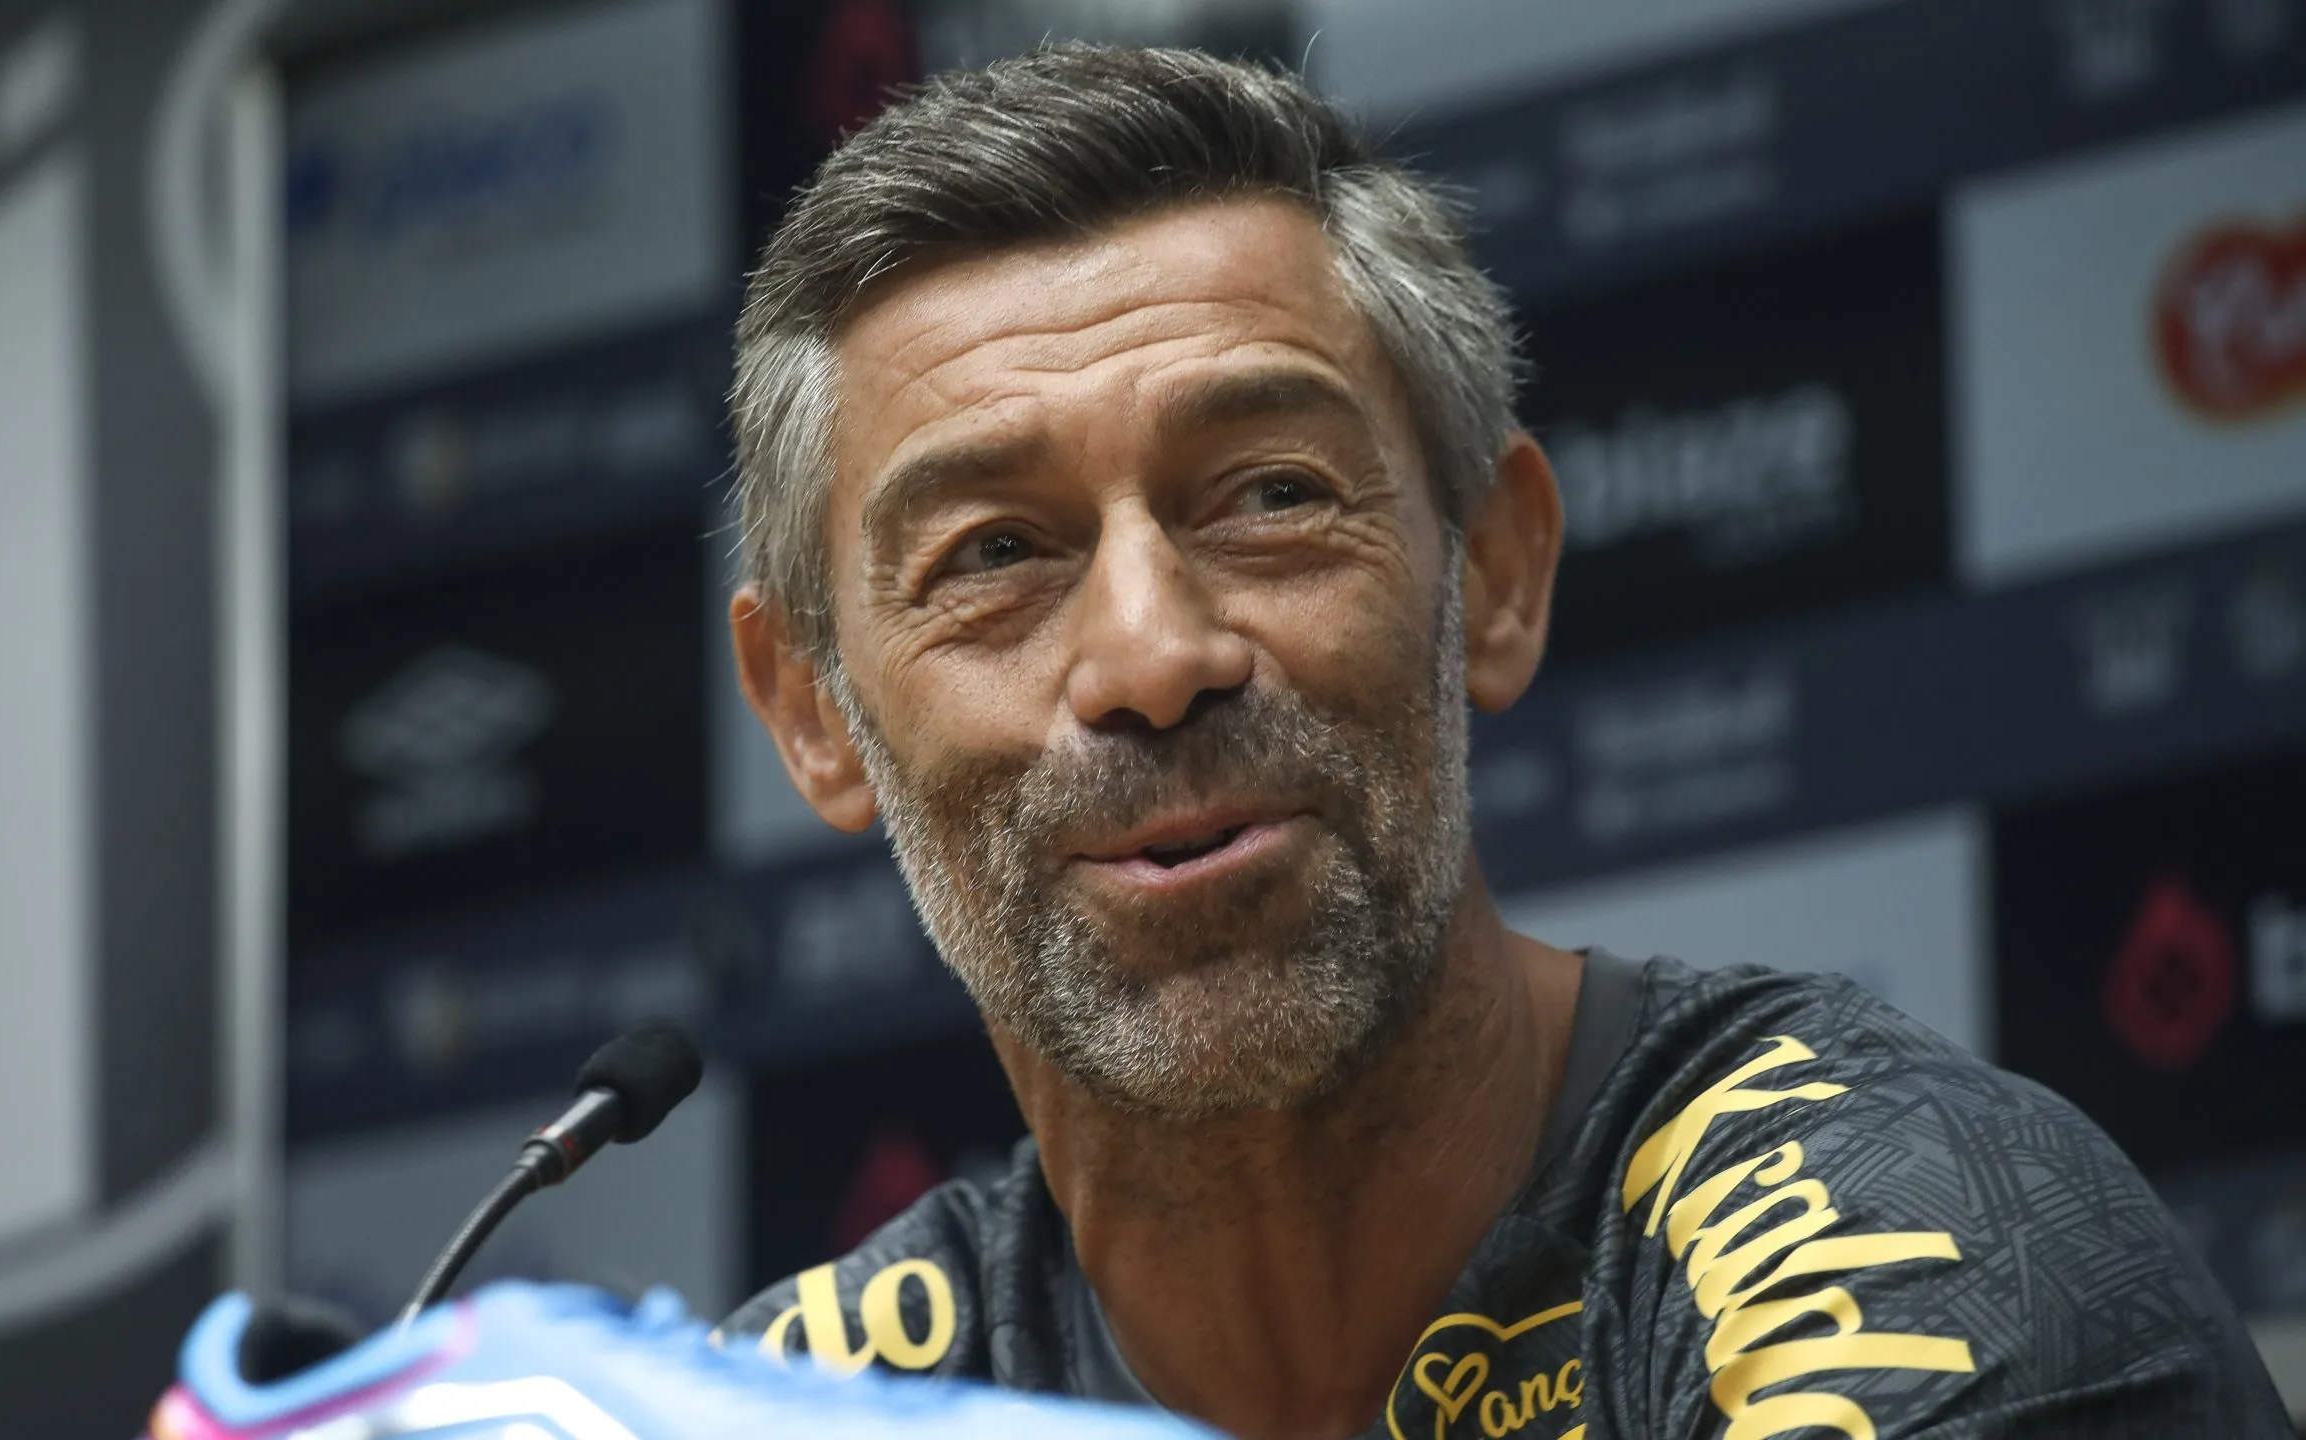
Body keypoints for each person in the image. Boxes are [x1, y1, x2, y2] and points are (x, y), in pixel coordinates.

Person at [716, 43, 2294, 1440]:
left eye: (1271, 495)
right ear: (812, 713)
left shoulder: (1916, 1238)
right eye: (993, 555)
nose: (1152, 656)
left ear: (1498, 574)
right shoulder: (803, 1401)